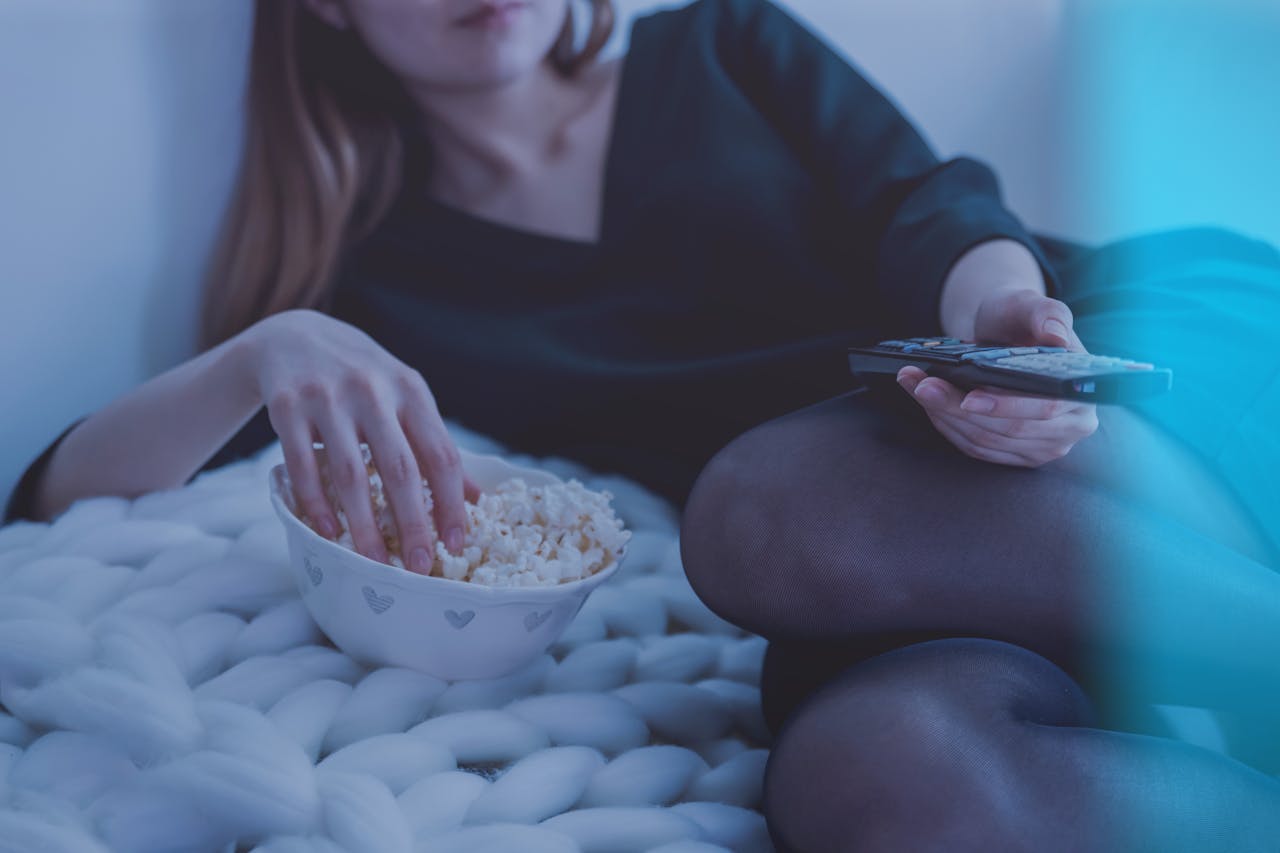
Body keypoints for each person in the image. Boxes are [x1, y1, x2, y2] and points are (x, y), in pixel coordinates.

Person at [5, 0, 1279, 849]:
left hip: (1095, 371)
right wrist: (262, 349)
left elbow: (927, 205)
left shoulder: (718, 46)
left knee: (764, 506)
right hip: (862, 571)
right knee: (871, 775)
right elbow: (55, 502)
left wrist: (1005, 318)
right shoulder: (380, 287)